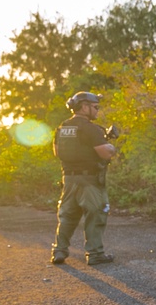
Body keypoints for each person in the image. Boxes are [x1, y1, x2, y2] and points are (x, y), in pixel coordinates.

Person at [50, 91, 117, 266]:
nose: (97, 110)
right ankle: (95, 254)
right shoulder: (91, 129)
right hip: (90, 180)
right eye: (95, 107)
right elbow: (104, 153)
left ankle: (59, 250)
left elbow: (57, 152)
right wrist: (111, 147)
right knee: (96, 214)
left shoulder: (62, 127)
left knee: (67, 216)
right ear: (84, 107)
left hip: (69, 179)